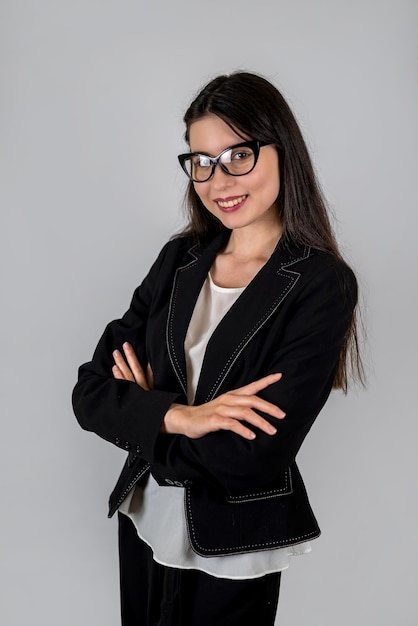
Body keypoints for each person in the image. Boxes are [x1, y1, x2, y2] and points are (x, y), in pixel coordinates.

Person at [72, 71, 363, 625]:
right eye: (201, 160)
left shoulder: (320, 284)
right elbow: (89, 391)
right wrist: (183, 417)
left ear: (283, 150)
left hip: (233, 543)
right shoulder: (179, 260)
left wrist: (143, 417)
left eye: (238, 155)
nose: (217, 179)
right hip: (144, 521)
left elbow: (252, 458)